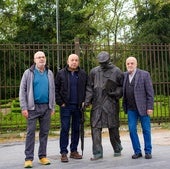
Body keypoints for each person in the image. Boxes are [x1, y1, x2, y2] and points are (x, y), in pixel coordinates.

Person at [85, 51, 124, 160]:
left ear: (108, 60)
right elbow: (89, 87)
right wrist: (87, 100)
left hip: (110, 103)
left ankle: (117, 147)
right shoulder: (94, 72)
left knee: (113, 127)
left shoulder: (117, 71)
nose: (102, 65)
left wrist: (115, 93)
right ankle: (97, 152)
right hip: (97, 104)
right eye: (100, 63)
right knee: (95, 127)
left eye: (104, 63)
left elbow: (122, 87)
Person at [19, 51, 55, 168]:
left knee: (44, 133)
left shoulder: (49, 73)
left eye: (43, 57)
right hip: (32, 108)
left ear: (45, 59)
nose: (41, 59)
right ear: (34, 60)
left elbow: (52, 91)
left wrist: (52, 106)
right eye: (38, 57)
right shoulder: (28, 73)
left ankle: (42, 156)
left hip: (46, 107)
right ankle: (28, 158)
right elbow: (22, 91)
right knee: (30, 133)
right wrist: (24, 107)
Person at [55, 54, 87, 162]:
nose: (74, 62)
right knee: (64, 129)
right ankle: (63, 152)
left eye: (76, 60)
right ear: (68, 61)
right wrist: (61, 102)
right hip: (66, 106)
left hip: (78, 106)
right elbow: (56, 89)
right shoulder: (61, 73)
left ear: (78, 62)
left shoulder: (82, 74)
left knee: (76, 129)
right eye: (72, 60)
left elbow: (87, 88)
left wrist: (85, 101)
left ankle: (74, 151)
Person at [122, 56, 154, 159]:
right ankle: (137, 151)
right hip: (131, 109)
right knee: (132, 130)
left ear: (136, 64)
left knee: (146, 130)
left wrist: (150, 107)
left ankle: (148, 151)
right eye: (128, 64)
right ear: (126, 65)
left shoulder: (144, 74)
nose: (130, 65)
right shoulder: (124, 75)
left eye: (132, 63)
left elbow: (150, 93)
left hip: (143, 108)